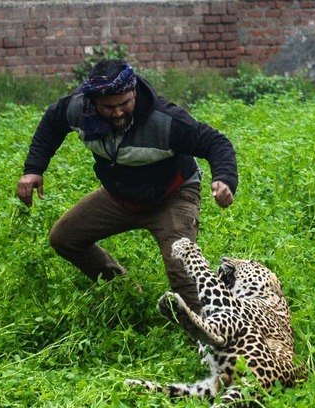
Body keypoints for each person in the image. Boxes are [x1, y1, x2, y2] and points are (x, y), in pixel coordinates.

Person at [16, 59, 238, 314]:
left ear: (134, 92)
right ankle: (126, 290)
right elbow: (52, 122)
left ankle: (213, 333)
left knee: (182, 270)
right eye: (109, 107)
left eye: (125, 103)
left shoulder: (165, 120)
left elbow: (216, 143)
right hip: (119, 197)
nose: (118, 112)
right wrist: (34, 169)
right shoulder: (79, 109)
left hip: (172, 196)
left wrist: (224, 178)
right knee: (64, 238)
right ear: (93, 102)